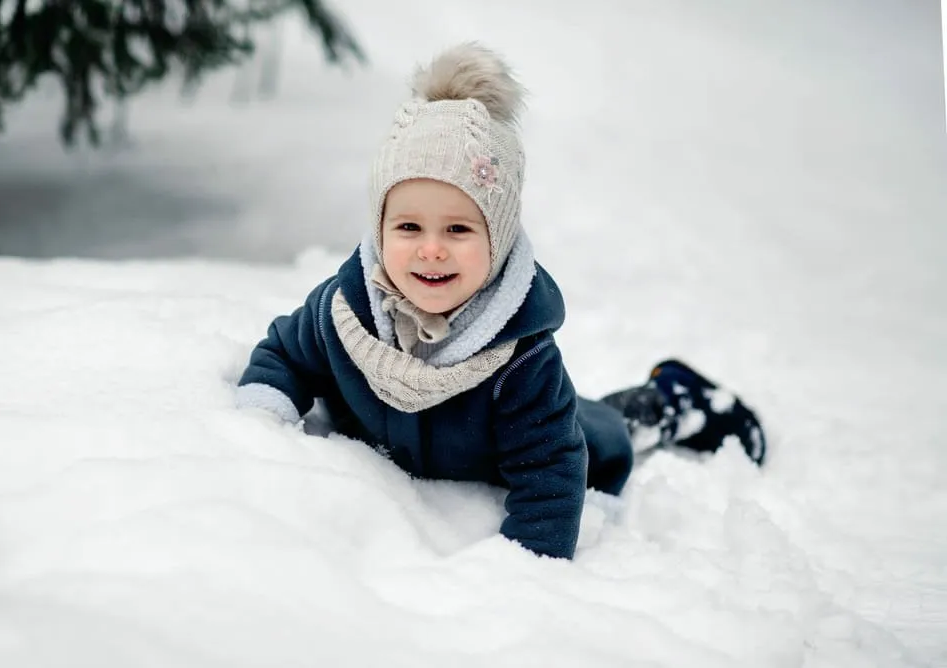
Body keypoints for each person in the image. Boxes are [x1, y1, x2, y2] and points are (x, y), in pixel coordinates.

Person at [236, 42, 766, 560]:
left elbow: (553, 477)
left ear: (500, 236)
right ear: (379, 231)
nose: (431, 249)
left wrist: (519, 579)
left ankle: (677, 399)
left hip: (564, 441)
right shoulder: (344, 313)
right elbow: (283, 355)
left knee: (610, 428)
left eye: (459, 228)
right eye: (409, 226)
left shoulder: (523, 360)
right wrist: (261, 427)